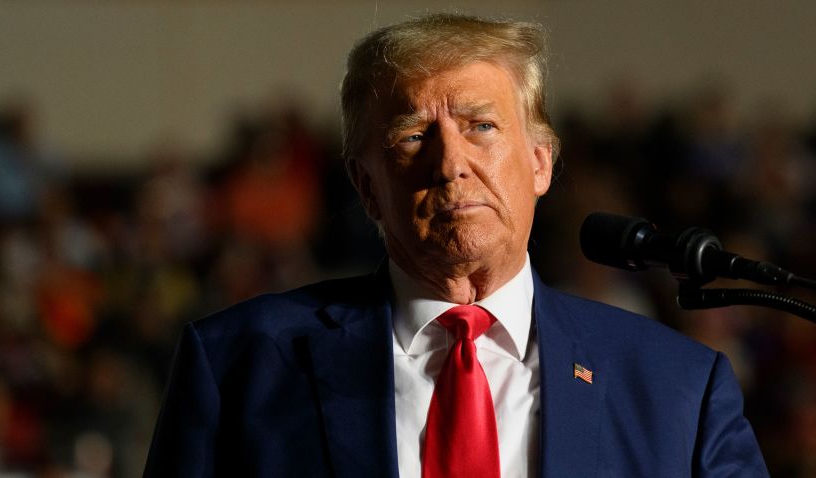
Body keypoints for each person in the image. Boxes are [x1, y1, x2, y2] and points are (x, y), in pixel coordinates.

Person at [143, 13, 768, 477]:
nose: (451, 164)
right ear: (367, 187)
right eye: (414, 136)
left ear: (541, 163)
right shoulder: (238, 365)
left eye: (482, 126)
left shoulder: (679, 387)